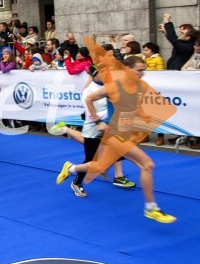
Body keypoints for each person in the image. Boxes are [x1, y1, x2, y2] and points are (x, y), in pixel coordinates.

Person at [55, 56, 176, 223]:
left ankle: (71, 169)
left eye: (144, 70)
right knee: (147, 165)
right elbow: (89, 99)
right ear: (127, 69)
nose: (143, 74)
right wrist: (97, 121)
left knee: (100, 165)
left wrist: (144, 116)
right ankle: (151, 208)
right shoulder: (113, 87)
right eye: (139, 70)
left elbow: (135, 106)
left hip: (125, 133)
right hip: (114, 134)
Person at [49, 65, 137, 196]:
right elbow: (90, 113)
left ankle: (110, 172)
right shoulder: (89, 91)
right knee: (91, 160)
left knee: (116, 153)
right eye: (103, 73)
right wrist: (101, 121)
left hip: (107, 128)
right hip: (93, 129)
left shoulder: (108, 87)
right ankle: (76, 180)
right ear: (95, 74)